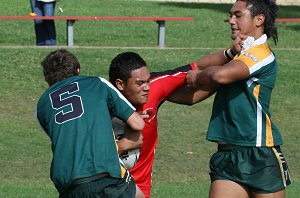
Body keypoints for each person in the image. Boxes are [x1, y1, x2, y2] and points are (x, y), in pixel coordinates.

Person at [186, 0, 291, 197]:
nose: (231, 20)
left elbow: (218, 76)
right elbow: (193, 96)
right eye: (231, 15)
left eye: (238, 15)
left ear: (259, 20)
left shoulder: (261, 55)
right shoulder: (236, 57)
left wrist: (198, 76)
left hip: (259, 152)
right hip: (227, 152)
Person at [108, 51, 227, 197]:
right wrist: (124, 121)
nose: (147, 87)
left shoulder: (155, 86)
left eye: (147, 81)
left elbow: (196, 67)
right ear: (120, 84)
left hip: (140, 188)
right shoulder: (99, 105)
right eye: (140, 83)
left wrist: (231, 56)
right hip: (105, 186)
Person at [36, 49, 145, 197]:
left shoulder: (42, 105)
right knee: (138, 195)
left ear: (47, 79)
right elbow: (138, 124)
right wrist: (125, 143)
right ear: (78, 70)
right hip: (104, 174)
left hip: (68, 183)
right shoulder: (96, 82)